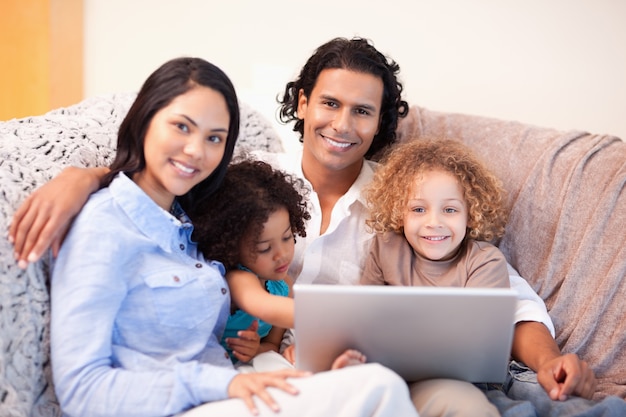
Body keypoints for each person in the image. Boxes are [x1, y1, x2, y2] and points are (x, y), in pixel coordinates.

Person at [8, 37, 598, 416]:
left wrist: (546, 361)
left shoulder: (408, 202)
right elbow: (162, 181)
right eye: (329, 104)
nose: (342, 124)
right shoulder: (249, 182)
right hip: (271, 372)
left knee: (451, 405)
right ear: (303, 102)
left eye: (362, 111)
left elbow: (510, 299)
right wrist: (87, 177)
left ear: (381, 123)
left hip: (384, 371)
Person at [44, 56, 418, 417]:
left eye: (214, 138)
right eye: (181, 127)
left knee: (369, 385)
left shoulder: (194, 214)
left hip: (232, 385)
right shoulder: (103, 226)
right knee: (378, 388)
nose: (195, 151)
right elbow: (81, 390)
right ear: (144, 120)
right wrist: (84, 177)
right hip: (194, 399)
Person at [360, 138, 511, 416]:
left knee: (467, 406)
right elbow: (360, 320)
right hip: (383, 375)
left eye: (450, 210)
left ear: (470, 215)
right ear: (399, 213)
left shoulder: (484, 262)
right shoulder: (385, 247)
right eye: (418, 209)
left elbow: (478, 348)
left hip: (448, 382)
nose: (434, 222)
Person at [190, 157, 365, 370]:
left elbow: (272, 345)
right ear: (231, 247)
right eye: (264, 248)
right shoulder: (237, 278)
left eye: (287, 237)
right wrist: (342, 324)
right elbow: (264, 306)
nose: (281, 254)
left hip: (248, 367)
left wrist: (256, 350)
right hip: (211, 369)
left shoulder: (284, 286)